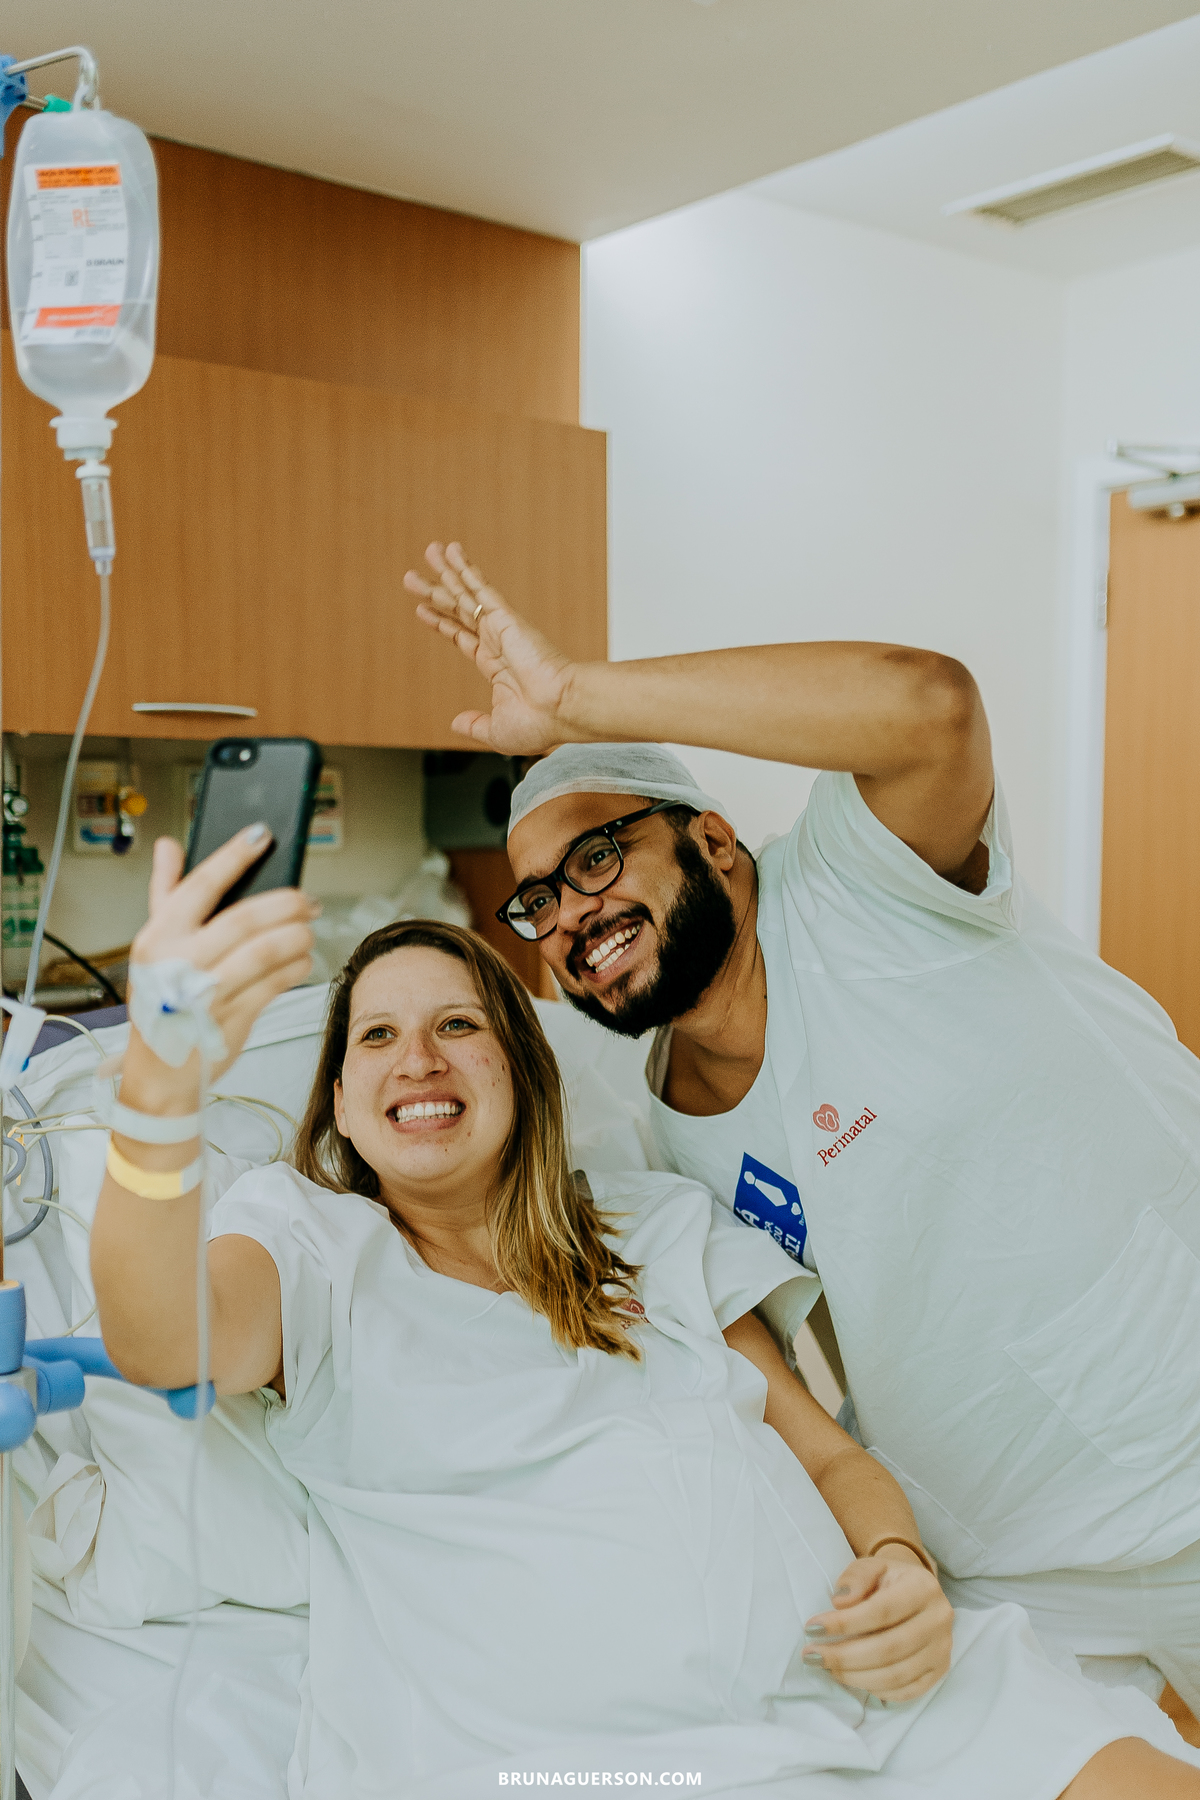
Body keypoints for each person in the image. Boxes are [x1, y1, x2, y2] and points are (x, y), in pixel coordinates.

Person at [90, 831, 1199, 1799]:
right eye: (373, 1038)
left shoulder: (653, 1229)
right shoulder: (311, 1243)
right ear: (337, 1099)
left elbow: (829, 1457)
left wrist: (901, 1562)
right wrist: (157, 1089)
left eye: (457, 1024)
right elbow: (163, 1340)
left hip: (881, 1708)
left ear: (520, 1068)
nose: (417, 1058)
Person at [405, 539, 1200, 1743]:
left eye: (599, 856)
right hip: (1003, 1563)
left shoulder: (860, 888)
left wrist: (575, 699)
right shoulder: (630, 1103)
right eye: (539, 901)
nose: (570, 913)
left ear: (717, 842)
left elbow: (931, 704)